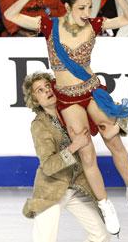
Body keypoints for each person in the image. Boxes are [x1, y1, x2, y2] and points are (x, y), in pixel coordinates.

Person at [5, 0, 128, 235]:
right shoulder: (48, 25)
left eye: (90, 7)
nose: (87, 13)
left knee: (112, 136)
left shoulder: (94, 25)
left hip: (91, 90)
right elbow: (10, 15)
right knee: (86, 150)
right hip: (67, 98)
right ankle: (104, 204)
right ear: (67, 7)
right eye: (81, 8)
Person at [22, 71, 110, 242]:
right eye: (39, 90)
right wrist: (74, 146)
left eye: (47, 86)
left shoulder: (71, 112)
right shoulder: (40, 125)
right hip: (52, 189)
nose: (47, 91)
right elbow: (48, 166)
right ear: (35, 100)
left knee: (100, 235)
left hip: (77, 187)